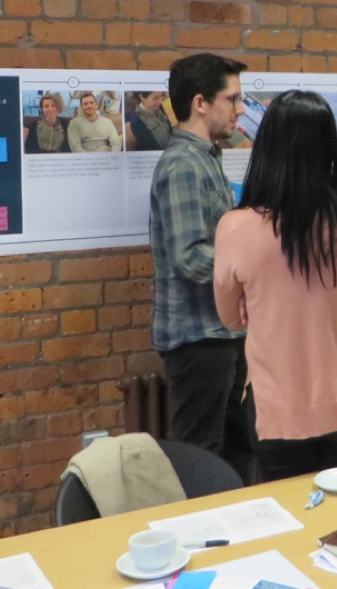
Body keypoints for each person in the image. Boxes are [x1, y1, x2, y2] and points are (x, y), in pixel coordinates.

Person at [213, 90, 337, 482]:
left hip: (279, 407)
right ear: (329, 147)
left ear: (267, 147)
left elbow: (229, 317)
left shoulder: (236, 227)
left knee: (291, 528)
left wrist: (263, 306)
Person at [150, 53, 255, 483]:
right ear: (200, 103)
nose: (241, 108)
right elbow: (191, 256)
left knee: (236, 453)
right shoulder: (182, 165)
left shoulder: (207, 157)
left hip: (222, 334)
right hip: (198, 340)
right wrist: (257, 264)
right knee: (199, 459)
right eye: (232, 98)